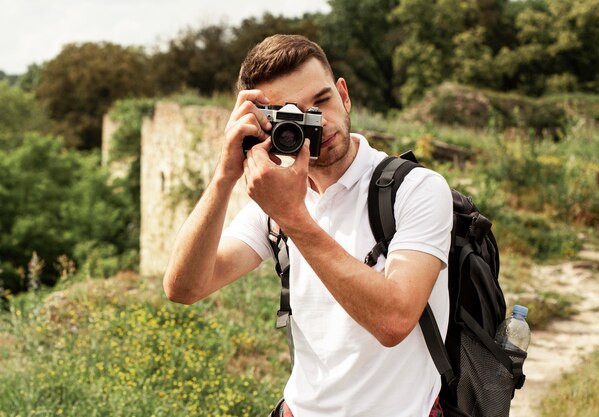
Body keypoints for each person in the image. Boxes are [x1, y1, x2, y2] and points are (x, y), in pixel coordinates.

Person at [163, 34, 453, 417]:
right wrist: (223, 176)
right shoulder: (276, 203)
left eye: (322, 101)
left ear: (344, 95)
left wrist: (293, 218)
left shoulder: (414, 189)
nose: (321, 122)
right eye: (293, 114)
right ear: (268, 127)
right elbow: (185, 287)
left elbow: (394, 320)